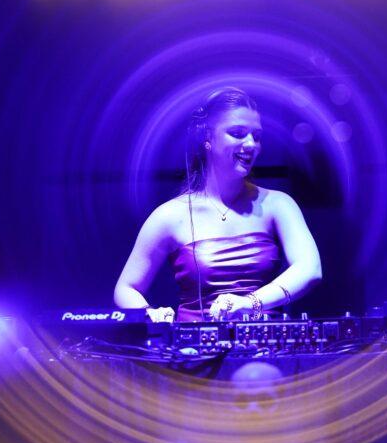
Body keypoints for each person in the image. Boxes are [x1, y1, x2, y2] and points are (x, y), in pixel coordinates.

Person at [114, 87, 322, 321]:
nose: (251, 144)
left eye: (257, 136)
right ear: (206, 137)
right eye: (237, 133)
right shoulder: (169, 215)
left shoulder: (279, 204)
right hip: (194, 343)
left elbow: (310, 269)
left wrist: (249, 302)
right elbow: (126, 288)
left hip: (264, 343)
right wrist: (150, 315)